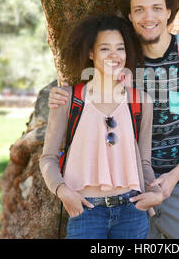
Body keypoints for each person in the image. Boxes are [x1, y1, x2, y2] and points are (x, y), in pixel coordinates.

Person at [48, 0, 179, 239]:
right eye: (139, 10)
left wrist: (173, 177)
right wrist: (60, 96)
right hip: (129, 189)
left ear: (168, 11)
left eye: (156, 8)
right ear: (130, 16)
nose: (148, 17)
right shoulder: (122, 56)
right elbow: (88, 93)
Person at [40, 15, 163, 239]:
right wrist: (63, 192)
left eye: (120, 48)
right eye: (105, 48)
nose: (114, 55)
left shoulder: (141, 101)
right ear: (90, 53)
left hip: (132, 212)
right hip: (85, 211)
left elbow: (144, 162)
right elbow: (47, 157)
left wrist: (156, 194)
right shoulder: (68, 98)